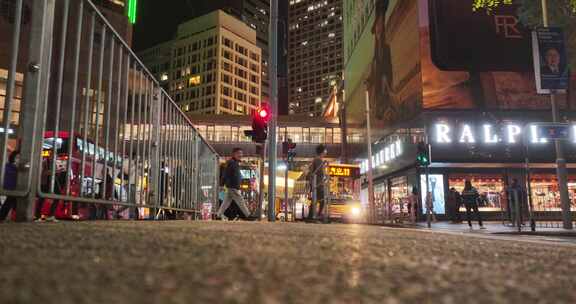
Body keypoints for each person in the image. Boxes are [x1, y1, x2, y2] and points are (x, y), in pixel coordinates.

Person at [217, 148, 250, 220]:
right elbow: (225, 174)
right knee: (240, 201)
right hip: (232, 186)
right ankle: (248, 215)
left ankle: (218, 215)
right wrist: (221, 185)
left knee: (225, 203)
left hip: (232, 186)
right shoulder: (231, 162)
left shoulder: (234, 163)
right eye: (238, 153)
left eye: (241, 153)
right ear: (234, 154)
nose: (240, 155)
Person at [307, 144, 327, 222]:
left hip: (315, 183)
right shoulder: (318, 160)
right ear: (322, 151)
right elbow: (319, 172)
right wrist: (324, 177)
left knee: (314, 201)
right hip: (318, 184)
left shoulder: (316, 159)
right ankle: (317, 216)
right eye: (325, 150)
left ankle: (311, 217)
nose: (326, 151)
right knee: (322, 201)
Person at [0, 151, 20, 221]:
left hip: (15, 190)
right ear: (13, 158)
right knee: (9, 202)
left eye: (20, 158)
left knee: (11, 202)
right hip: (8, 190)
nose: (19, 159)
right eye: (17, 157)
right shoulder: (8, 167)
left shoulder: (20, 168)